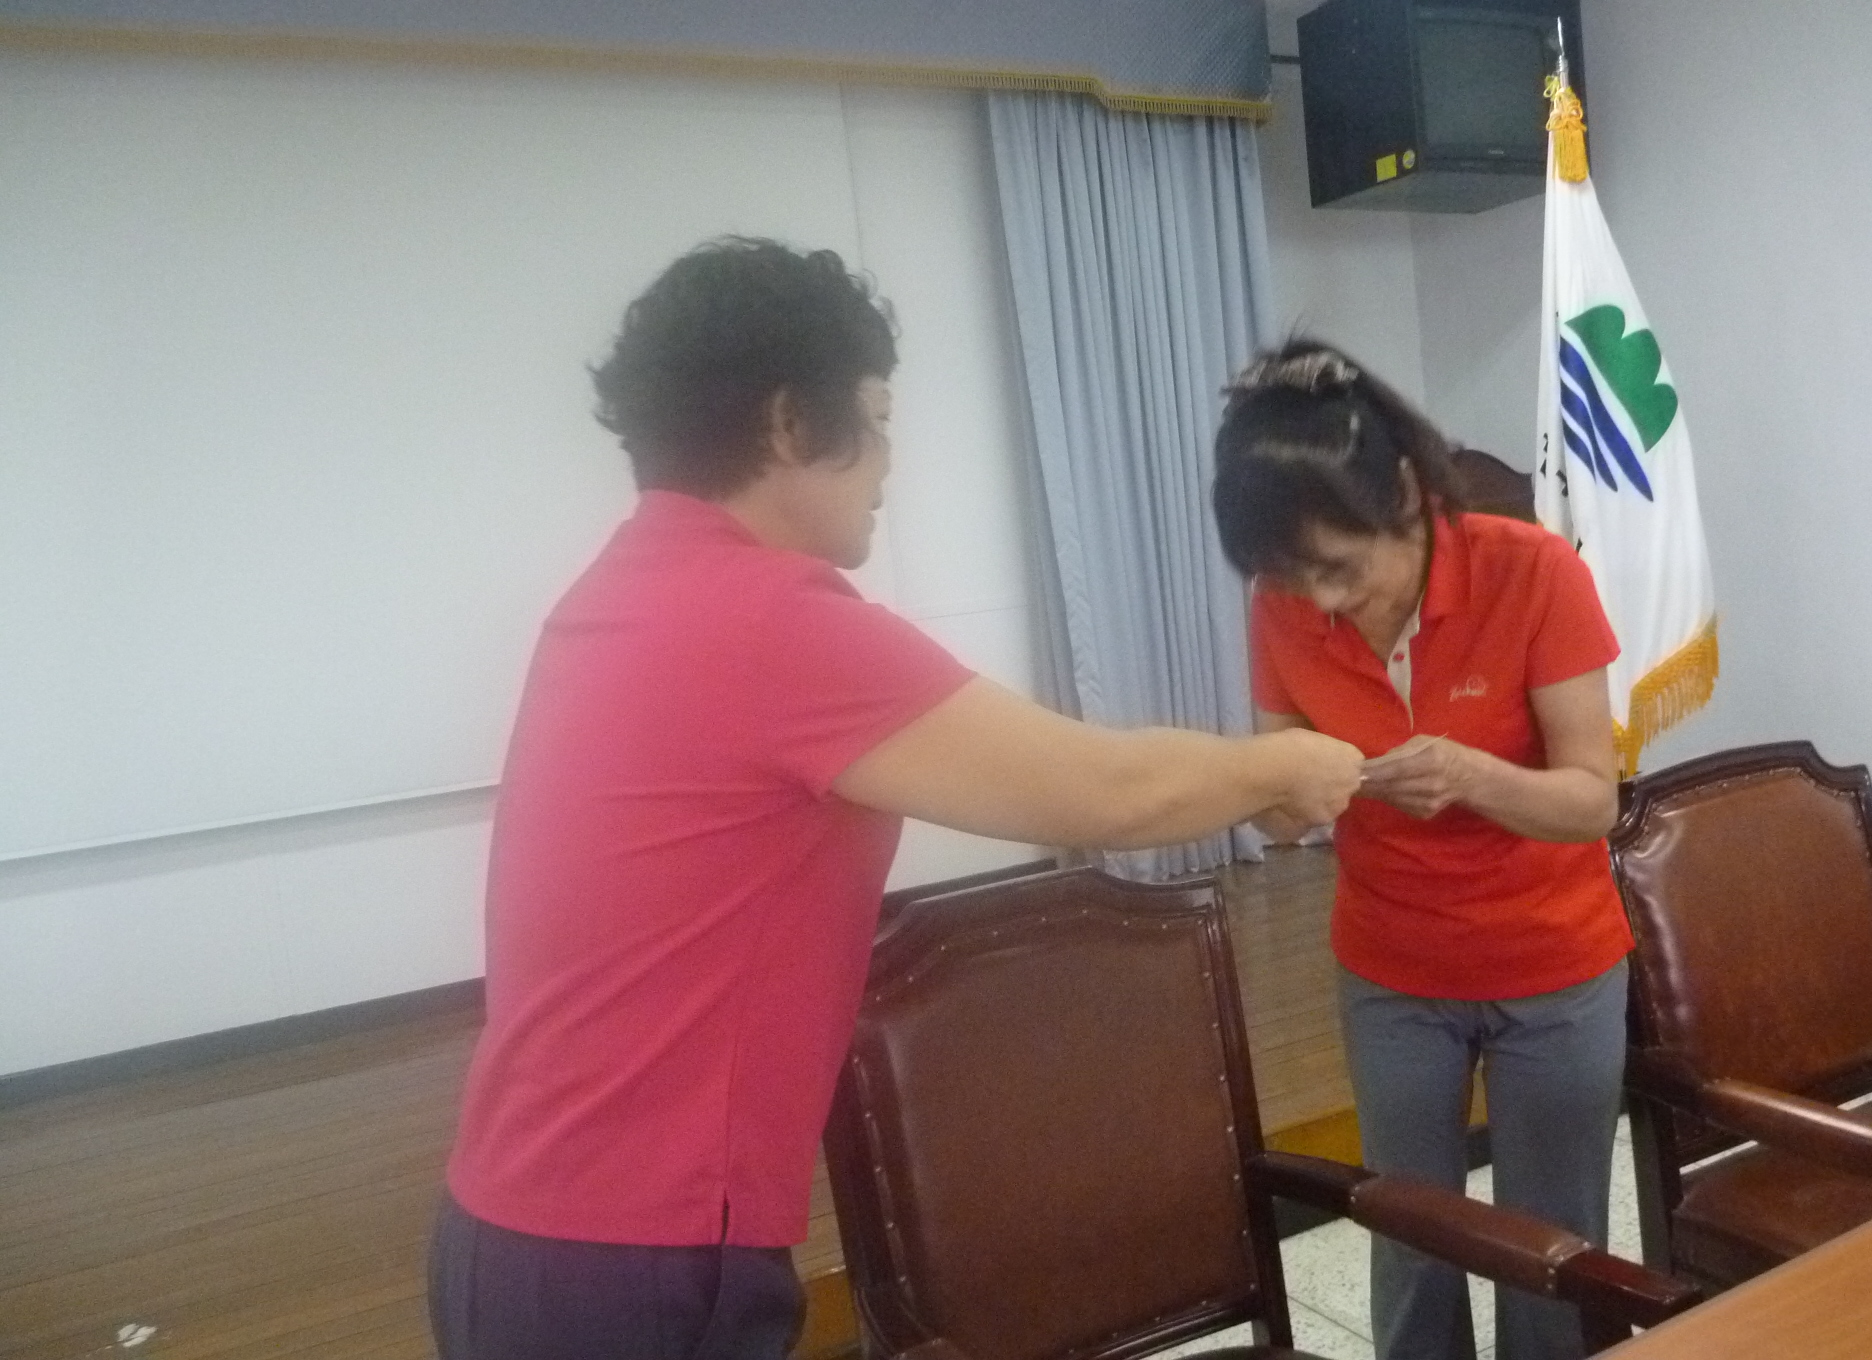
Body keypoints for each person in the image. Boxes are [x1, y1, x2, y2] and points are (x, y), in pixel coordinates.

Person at [429, 240, 1366, 1360]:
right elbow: (1104, 789)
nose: (888, 460)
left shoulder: (625, 590)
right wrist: (1284, 768)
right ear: (790, 423)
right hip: (637, 1260)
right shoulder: (767, 619)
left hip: (512, 1226)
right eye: (874, 419)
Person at [1210, 341, 1634, 1360]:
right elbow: (1276, 794)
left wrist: (1474, 777)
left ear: (1403, 494)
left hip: (1552, 958)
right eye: (1289, 575)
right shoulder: (1282, 603)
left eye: (1340, 568)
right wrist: (1277, 796)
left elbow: (1593, 801)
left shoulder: (1531, 571)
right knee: (1409, 1237)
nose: (1318, 601)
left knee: (1551, 1249)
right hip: (1392, 966)